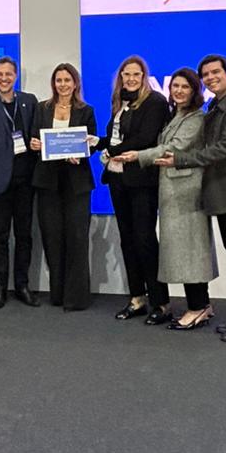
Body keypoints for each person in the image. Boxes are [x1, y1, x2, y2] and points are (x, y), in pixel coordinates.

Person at [157, 54, 226, 343]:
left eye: (215, 72)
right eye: (205, 74)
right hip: (225, 197)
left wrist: (180, 159)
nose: (210, 78)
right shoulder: (217, 106)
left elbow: (224, 149)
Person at [125, 68, 217, 329]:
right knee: (186, 249)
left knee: (191, 250)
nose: (178, 91)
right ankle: (201, 305)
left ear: (195, 90)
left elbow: (173, 148)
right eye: (175, 86)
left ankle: (197, 307)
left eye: (185, 87)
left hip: (187, 192)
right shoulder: (177, 115)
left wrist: (138, 156)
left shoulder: (196, 118)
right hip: (174, 191)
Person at [97, 56, 170, 324]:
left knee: (145, 240)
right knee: (127, 240)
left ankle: (160, 302)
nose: (130, 79)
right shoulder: (120, 102)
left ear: (144, 76)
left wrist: (110, 149)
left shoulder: (155, 102)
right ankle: (137, 297)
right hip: (118, 179)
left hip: (142, 181)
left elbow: (145, 138)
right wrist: (95, 142)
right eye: (126, 74)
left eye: (136, 74)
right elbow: (116, 138)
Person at [30, 63, 98, 312]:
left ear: (75, 83)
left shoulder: (86, 111)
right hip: (47, 182)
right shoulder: (42, 108)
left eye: (67, 80)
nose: (63, 84)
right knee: (52, 237)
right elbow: (33, 138)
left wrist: (81, 152)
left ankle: (76, 297)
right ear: (53, 83)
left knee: (77, 238)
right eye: (59, 80)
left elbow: (91, 143)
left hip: (77, 183)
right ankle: (57, 294)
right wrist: (35, 144)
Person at [0, 56, 40, 309]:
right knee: (0, 235)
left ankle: (22, 285)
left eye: (8, 74)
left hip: (26, 179)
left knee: (24, 235)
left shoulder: (29, 101)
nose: (4, 78)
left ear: (15, 76)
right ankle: (0, 287)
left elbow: (35, 135)